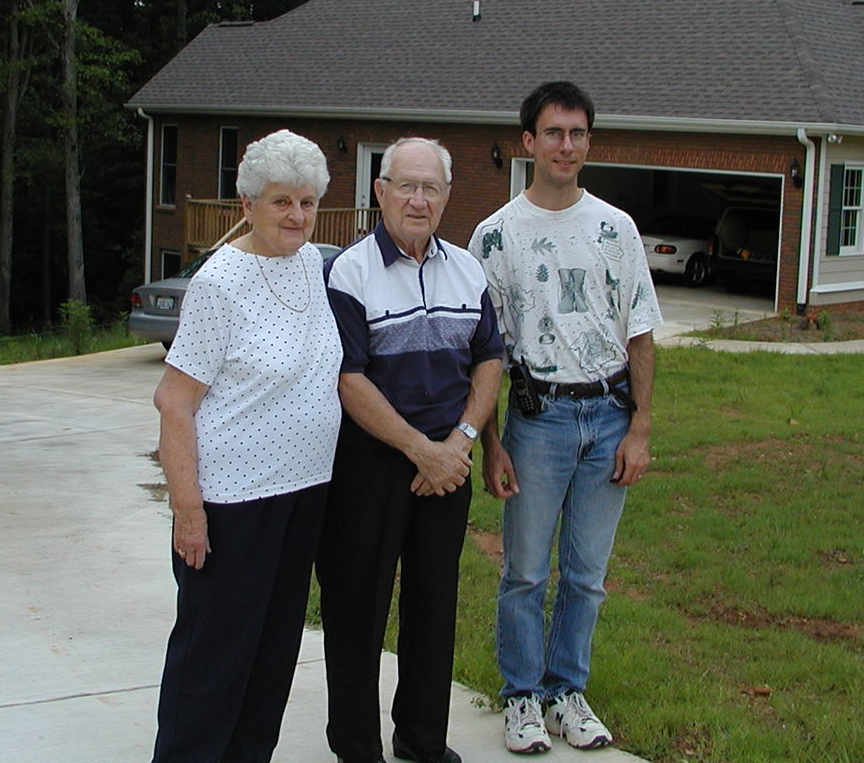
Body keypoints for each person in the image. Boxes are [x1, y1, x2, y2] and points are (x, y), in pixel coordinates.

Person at [469, 83, 662, 755]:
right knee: (524, 570)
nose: (565, 146)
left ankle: (565, 693)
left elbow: (638, 331)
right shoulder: (495, 236)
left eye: (577, 133)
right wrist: (490, 443)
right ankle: (521, 697)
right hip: (537, 419)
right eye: (552, 133)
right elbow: (485, 353)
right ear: (528, 142)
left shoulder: (616, 229)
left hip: (607, 417)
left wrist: (638, 428)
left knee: (586, 574)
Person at [149, 129, 343, 763]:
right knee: (214, 658)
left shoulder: (316, 267)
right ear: (247, 206)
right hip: (233, 505)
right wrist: (189, 512)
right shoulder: (221, 282)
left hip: (303, 497)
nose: (296, 215)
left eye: (308, 201)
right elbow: (173, 401)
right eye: (281, 201)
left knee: (272, 655)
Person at [319, 137, 504, 763]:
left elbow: (488, 359)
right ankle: (355, 746)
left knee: (433, 606)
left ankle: (422, 739)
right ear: (380, 191)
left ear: (448, 196)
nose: (418, 199)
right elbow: (349, 378)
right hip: (371, 465)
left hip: (448, 466)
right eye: (406, 185)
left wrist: (460, 443)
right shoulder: (349, 271)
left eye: (431, 188)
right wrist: (418, 449)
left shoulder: (467, 270)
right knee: (357, 608)